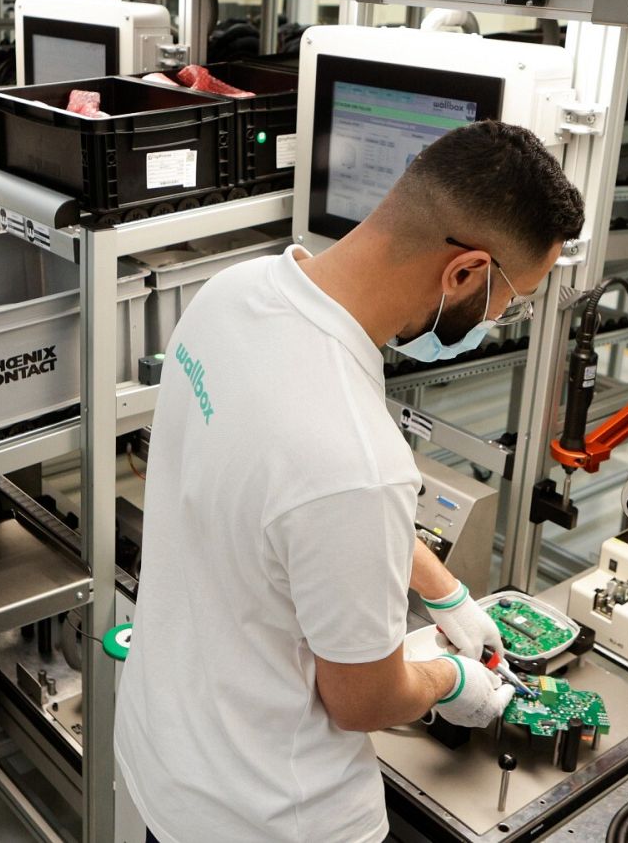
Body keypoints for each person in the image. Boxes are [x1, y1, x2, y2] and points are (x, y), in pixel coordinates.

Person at [116, 120, 587, 843]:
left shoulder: (230, 296)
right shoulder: (356, 460)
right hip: (272, 817)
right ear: (463, 272)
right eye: (512, 299)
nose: (501, 318)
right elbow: (364, 700)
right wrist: (454, 683)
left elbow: (287, 515)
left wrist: (444, 591)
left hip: (168, 763)